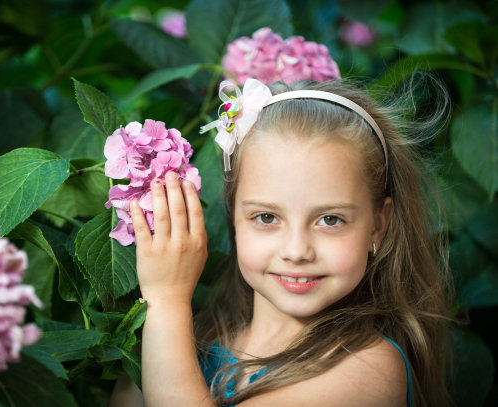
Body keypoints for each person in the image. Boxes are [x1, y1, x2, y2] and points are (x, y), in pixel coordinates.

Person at [109, 77, 452, 407]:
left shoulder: (369, 369)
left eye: (330, 220)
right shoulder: (193, 341)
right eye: (267, 218)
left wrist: (166, 301)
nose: (296, 251)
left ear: (378, 226)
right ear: (233, 217)